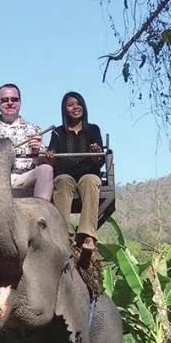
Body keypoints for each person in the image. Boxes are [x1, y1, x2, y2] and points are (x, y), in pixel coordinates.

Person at [46, 91, 104, 256]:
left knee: (90, 180)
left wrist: (97, 153)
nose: (75, 107)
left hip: (87, 173)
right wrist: (50, 156)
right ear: (65, 109)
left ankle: (88, 236)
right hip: (66, 174)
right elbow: (52, 156)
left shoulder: (93, 129)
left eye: (78, 104)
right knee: (63, 181)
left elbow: (99, 160)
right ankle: (64, 234)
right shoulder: (57, 132)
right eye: (70, 105)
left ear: (83, 107)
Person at [0, 83, 53, 200]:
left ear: (20, 103)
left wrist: (36, 151)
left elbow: (40, 162)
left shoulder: (33, 129)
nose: (10, 103)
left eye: (14, 99)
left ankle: (43, 213)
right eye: (5, 100)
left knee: (47, 169)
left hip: (24, 177)